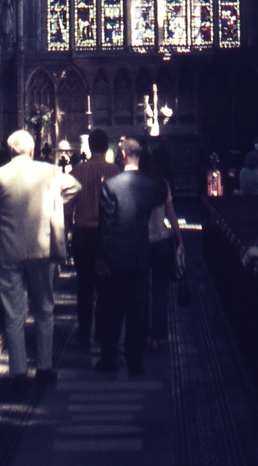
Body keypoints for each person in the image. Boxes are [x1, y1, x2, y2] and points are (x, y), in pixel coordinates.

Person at [0, 129, 81, 390]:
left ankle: (17, 371)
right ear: (32, 150)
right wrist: (56, 201)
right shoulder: (49, 172)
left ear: (9, 151)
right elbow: (76, 186)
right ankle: (44, 366)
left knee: (14, 313)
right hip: (42, 248)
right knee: (44, 308)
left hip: (9, 250)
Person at [96, 136, 162, 376]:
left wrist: (100, 259)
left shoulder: (111, 185)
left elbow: (105, 227)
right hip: (140, 256)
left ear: (122, 155)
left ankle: (109, 358)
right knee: (137, 311)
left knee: (112, 310)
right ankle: (135, 363)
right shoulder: (150, 185)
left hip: (114, 257)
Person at [65, 128, 120, 348]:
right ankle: (102, 334)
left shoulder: (77, 171)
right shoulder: (115, 171)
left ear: (90, 147)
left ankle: (84, 333)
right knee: (105, 287)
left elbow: (68, 208)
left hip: (81, 234)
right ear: (106, 148)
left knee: (84, 286)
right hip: (105, 236)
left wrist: (66, 234)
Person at [140, 147, 183, 351]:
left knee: (141, 291)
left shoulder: (136, 185)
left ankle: (141, 333)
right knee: (159, 291)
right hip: (162, 241)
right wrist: (179, 237)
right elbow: (171, 214)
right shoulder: (162, 184)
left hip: (141, 243)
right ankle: (156, 338)